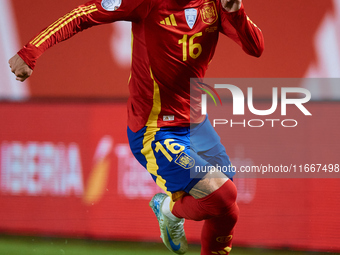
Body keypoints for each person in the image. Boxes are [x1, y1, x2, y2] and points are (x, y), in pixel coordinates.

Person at [9, 0, 264, 254]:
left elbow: (255, 47)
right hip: (155, 130)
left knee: (227, 210)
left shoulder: (216, 4)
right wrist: (30, 52)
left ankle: (170, 212)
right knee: (221, 196)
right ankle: (168, 210)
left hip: (197, 125)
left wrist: (235, 11)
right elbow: (82, 15)